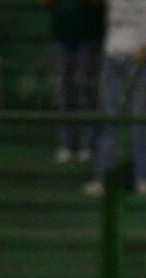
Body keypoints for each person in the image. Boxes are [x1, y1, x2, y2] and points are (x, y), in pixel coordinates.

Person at [86, 0, 146, 197]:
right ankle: (104, 178)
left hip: (143, 57)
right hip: (113, 55)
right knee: (110, 120)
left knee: (141, 121)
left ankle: (145, 178)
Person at [45, 0, 104, 164]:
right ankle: (66, 144)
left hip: (88, 36)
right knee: (64, 92)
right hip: (62, 36)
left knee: (86, 90)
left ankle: (89, 145)